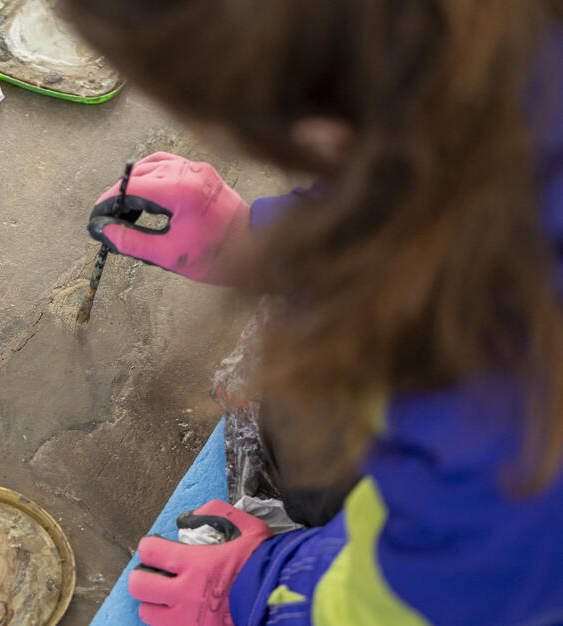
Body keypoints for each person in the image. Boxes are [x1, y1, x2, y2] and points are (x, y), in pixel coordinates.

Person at [60, 1, 563, 624]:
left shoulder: (498, 438)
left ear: (320, 131)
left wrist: (252, 589)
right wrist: (257, 237)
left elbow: (417, 601)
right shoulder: (490, 45)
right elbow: (416, 168)